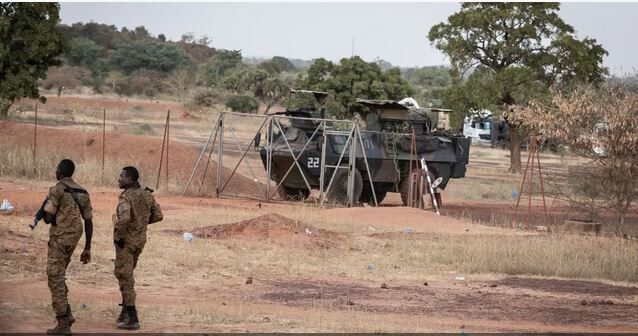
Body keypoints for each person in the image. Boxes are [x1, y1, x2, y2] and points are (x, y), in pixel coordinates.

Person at [43, 159, 93, 334]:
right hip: (75, 237)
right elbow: (88, 220)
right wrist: (87, 247)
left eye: (57, 169)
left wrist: (44, 212)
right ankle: (68, 312)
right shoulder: (83, 191)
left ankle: (63, 323)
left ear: (61, 172)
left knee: (54, 277)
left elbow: (49, 218)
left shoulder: (56, 189)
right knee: (59, 273)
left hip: (60, 238)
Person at [113, 166, 163, 329]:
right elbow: (158, 215)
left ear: (131, 179)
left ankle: (133, 317)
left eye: (122, 176)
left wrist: (118, 235)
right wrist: (140, 223)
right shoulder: (146, 194)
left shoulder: (126, 197)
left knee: (125, 276)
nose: (119, 179)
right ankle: (125, 311)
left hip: (126, 242)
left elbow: (125, 218)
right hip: (139, 241)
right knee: (125, 274)